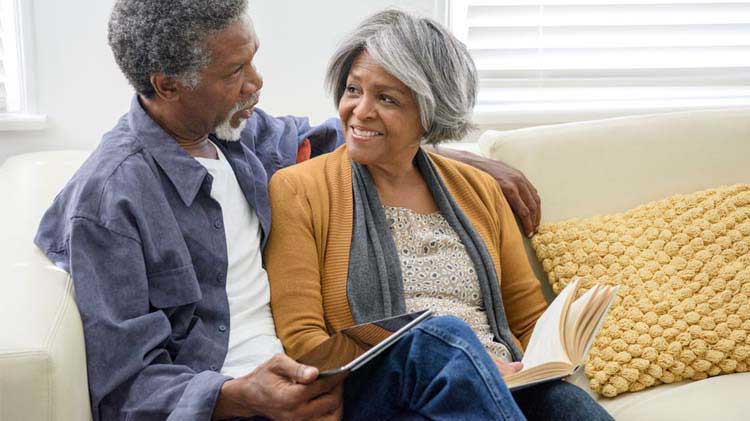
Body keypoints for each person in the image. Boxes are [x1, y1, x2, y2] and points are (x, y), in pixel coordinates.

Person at [33, 1, 543, 420]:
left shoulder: (237, 134)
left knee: (546, 396)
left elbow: (352, 134)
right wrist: (237, 395)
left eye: (253, 59)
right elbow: (124, 387)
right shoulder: (109, 201)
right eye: (235, 71)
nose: (256, 82)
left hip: (323, 389)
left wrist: (455, 156)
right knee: (441, 340)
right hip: (247, 403)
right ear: (168, 85)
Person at [265, 10, 613, 421]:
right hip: (381, 393)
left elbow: (527, 315)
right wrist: (464, 360)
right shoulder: (299, 189)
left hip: (504, 382)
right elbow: (305, 343)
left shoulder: (478, 189)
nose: (359, 111)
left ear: (430, 113)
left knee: (566, 405)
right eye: (353, 89)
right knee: (444, 334)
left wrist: (544, 361)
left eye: (387, 98)